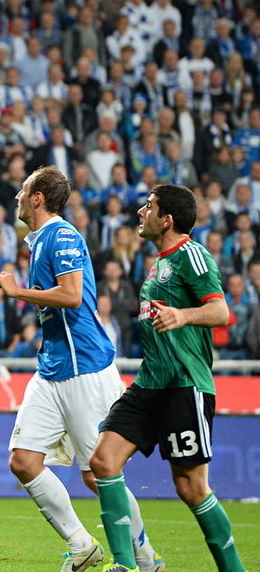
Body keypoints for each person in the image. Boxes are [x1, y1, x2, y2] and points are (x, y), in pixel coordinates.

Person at [0, 166, 159, 572]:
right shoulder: (39, 241)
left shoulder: (63, 235)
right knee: (23, 461)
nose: (16, 194)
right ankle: (81, 544)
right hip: (51, 369)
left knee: (98, 473)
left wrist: (18, 292)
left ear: (37, 198)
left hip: (84, 368)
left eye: (24, 188)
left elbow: (69, 295)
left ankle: (144, 559)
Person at [89, 185, 244, 572]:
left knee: (191, 488)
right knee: (103, 462)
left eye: (149, 206)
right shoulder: (158, 262)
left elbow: (221, 311)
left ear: (167, 219)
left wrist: (183, 315)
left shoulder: (192, 254)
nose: (141, 212)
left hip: (184, 384)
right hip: (148, 384)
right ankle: (124, 565)